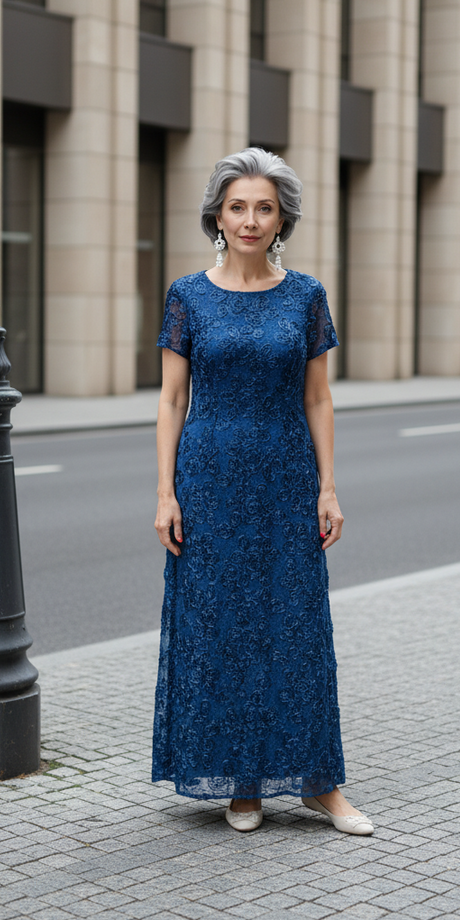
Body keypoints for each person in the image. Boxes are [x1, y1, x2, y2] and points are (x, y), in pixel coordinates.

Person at [152, 147, 373, 835]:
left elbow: (318, 397)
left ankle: (319, 784)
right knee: (220, 627)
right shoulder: (188, 295)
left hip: (285, 478)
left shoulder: (306, 295)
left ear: (282, 220)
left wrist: (328, 488)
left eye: (264, 208)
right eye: (238, 206)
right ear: (218, 216)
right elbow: (171, 399)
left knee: (296, 627)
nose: (250, 220)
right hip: (209, 480)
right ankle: (241, 782)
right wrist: (165, 493)